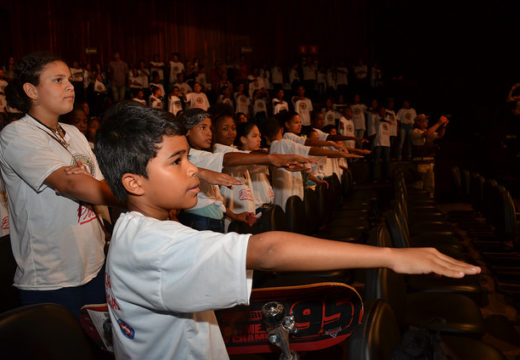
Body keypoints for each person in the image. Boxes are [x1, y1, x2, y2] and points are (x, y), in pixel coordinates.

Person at [94, 101, 480, 360]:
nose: (193, 169)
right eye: (177, 161)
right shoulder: (158, 247)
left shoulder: (135, 230)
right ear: (134, 183)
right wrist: (391, 256)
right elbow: (268, 250)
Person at [0, 53, 120, 317]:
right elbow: (69, 183)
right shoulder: (16, 135)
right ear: (31, 90)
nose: (70, 86)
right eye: (58, 80)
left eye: (70, 79)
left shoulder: (74, 133)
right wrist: (138, 195)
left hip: (94, 264)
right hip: (51, 277)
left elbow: (97, 184)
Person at [410, 114, 448, 197]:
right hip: (420, 163)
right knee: (419, 187)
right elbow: (426, 134)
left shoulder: (429, 131)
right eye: (424, 120)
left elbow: (439, 135)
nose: (427, 121)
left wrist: (443, 126)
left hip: (429, 163)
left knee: (430, 188)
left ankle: (430, 202)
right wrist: (438, 123)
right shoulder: (414, 131)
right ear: (418, 122)